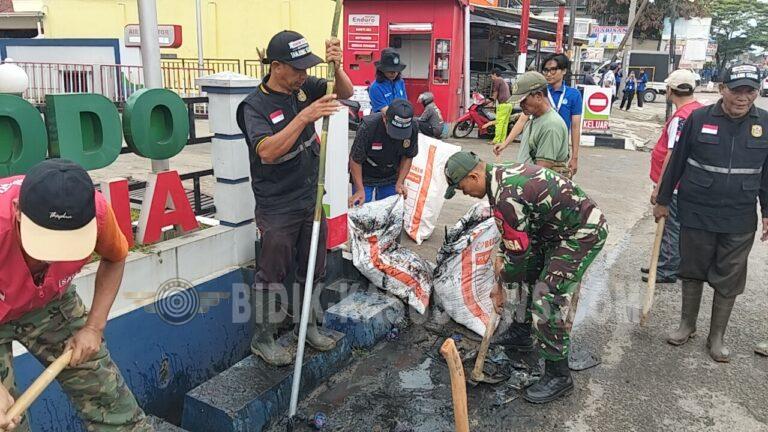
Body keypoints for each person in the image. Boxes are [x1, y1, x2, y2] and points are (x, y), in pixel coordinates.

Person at [443, 151, 608, 403]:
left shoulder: (506, 194)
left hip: (580, 233)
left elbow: (517, 256)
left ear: (474, 176)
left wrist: (500, 286)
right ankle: (522, 333)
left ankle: (558, 375)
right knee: (529, 275)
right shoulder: (498, 179)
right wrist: (502, 259)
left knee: (546, 296)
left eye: (462, 188)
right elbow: (513, 237)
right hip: (552, 231)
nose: (464, 194)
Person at [0, 159, 150, 431]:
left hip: (49, 301)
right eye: (44, 242)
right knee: (6, 420)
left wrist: (94, 327)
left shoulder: (97, 212)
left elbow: (115, 257)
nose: (51, 257)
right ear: (17, 211)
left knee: (106, 393)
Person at [236, 30, 354, 366]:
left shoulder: (303, 88)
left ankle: (309, 326)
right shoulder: (253, 107)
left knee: (314, 267)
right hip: (277, 204)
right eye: (297, 68)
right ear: (276, 66)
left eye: (307, 68)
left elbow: (343, 92)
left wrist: (337, 65)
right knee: (272, 272)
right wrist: (305, 117)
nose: (304, 74)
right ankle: (263, 339)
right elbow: (267, 152)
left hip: (311, 196)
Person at [654, 64, 768, 363]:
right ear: (721, 89)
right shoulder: (698, 118)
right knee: (692, 269)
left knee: (729, 277)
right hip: (697, 211)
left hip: (739, 216)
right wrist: (663, 200)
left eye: (750, 91)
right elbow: (677, 160)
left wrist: (767, 212)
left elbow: (767, 174)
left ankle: (716, 336)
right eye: (736, 90)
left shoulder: (765, 123)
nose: (743, 97)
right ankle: (687, 325)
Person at [645, 69, 703, 284]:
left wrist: (660, 189)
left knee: (669, 225)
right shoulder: (696, 111)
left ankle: (666, 268)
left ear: (670, 90)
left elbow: (672, 155)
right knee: (671, 225)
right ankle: (659, 263)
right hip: (685, 182)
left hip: (676, 184)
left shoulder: (681, 117)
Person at [496, 55, 583, 176]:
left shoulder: (572, 95)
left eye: (553, 69)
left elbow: (575, 127)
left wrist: (575, 157)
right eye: (546, 70)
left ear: (564, 70)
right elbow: (521, 121)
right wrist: (505, 143)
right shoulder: (539, 93)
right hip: (540, 143)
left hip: (552, 140)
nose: (549, 74)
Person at [349, 99, 419, 206]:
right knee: (360, 209)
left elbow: (408, 156)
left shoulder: (413, 127)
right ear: (384, 118)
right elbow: (355, 160)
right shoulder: (368, 127)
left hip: (391, 173)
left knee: (389, 211)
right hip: (365, 174)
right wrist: (359, 189)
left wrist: (400, 181)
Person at [368, 48, 407, 114]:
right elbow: (386, 111)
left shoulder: (400, 82)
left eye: (396, 70)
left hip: (401, 119)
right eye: (390, 71)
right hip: (383, 121)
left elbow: (405, 103)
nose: (394, 73)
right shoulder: (375, 88)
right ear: (381, 70)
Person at [490, 68, 513, 146]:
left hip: (503, 105)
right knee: (504, 123)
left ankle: (496, 140)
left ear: (495, 74)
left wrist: (491, 101)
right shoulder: (503, 81)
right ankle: (502, 140)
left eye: (492, 75)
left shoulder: (497, 80)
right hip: (509, 104)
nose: (491, 77)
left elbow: (495, 92)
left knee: (499, 123)